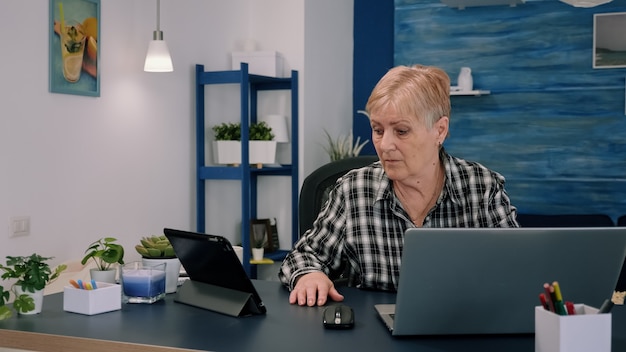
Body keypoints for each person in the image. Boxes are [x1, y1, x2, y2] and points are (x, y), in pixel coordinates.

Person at [279, 64, 519, 307]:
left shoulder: (482, 187)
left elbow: (516, 268)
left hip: (460, 327)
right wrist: (309, 275)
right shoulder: (354, 190)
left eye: (401, 131)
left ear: (440, 130)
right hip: (372, 335)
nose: (385, 145)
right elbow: (303, 256)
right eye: (378, 130)